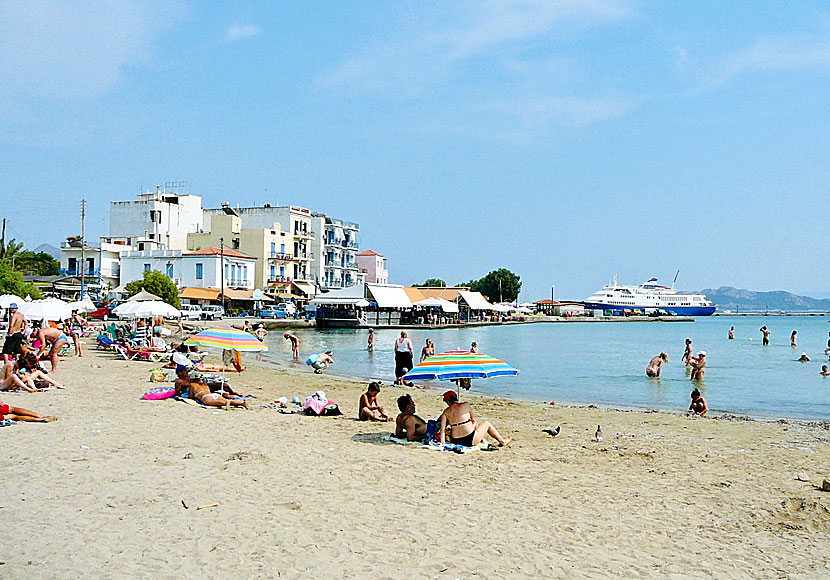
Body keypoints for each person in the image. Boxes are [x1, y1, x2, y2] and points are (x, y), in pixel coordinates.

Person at [438, 390, 511, 447]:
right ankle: (502, 441)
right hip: (470, 439)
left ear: (448, 401)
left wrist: (443, 443)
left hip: (456, 440)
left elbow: (442, 430)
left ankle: (484, 440)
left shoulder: (446, 412)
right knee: (486, 423)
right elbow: (472, 419)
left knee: (471, 424)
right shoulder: (466, 405)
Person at [174, 369, 248, 408]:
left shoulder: (192, 385)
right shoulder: (205, 384)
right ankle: (240, 401)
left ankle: (240, 402)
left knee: (223, 403)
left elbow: (191, 396)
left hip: (205, 397)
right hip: (213, 394)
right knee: (224, 400)